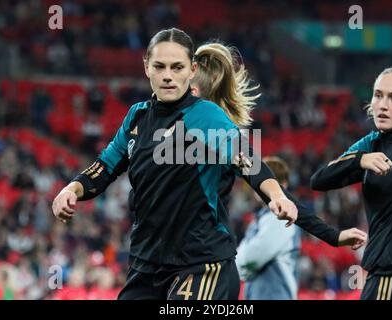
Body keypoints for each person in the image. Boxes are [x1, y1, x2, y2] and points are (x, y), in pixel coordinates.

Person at [51, 28, 298, 300]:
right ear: (147, 67)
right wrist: (71, 190)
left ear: (192, 70)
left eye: (177, 67)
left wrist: (276, 195)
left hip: (202, 264)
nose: (168, 75)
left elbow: (248, 160)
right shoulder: (137, 117)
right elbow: (105, 167)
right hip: (148, 264)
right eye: (160, 66)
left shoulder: (206, 116)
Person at [190, 43, 367, 300]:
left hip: (203, 263)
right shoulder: (158, 130)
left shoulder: (224, 140)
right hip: (163, 260)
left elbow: (281, 197)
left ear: (193, 91)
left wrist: (332, 235)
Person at [311, 67, 392, 300]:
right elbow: (320, 179)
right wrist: (360, 160)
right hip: (391, 274)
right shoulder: (370, 144)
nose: (382, 105)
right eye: (378, 95)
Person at [236, 156, 367, 300]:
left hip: (275, 294)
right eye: (256, 181)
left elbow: (250, 258)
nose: (259, 187)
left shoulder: (279, 217)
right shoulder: (260, 218)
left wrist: (239, 262)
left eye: (267, 181)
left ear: (283, 185)